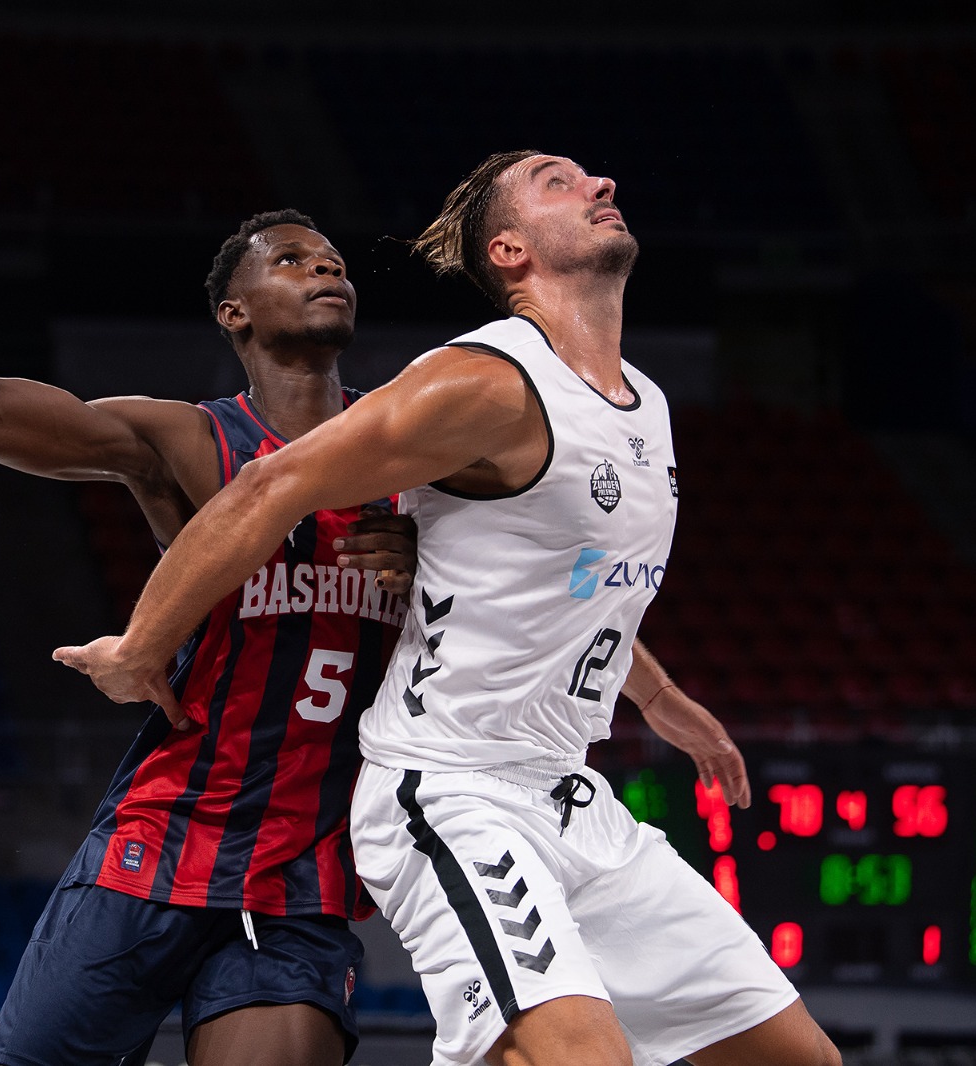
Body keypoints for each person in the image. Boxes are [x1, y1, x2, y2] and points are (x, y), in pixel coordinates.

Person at [56, 151, 843, 1066]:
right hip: (451, 790)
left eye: (590, 176)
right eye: (559, 181)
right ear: (509, 251)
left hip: (567, 792)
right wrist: (139, 648)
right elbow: (269, 486)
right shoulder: (482, 381)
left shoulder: (645, 404)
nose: (601, 186)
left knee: (798, 1060)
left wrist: (660, 700)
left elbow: (570, 583)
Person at [0, 42, 418, 1066]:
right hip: (155, 847)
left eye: (332, 258)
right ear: (234, 313)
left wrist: (426, 568)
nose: (324, 266)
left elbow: (532, 596)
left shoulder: (415, 455)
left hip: (300, 875)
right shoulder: (186, 441)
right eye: (289, 257)